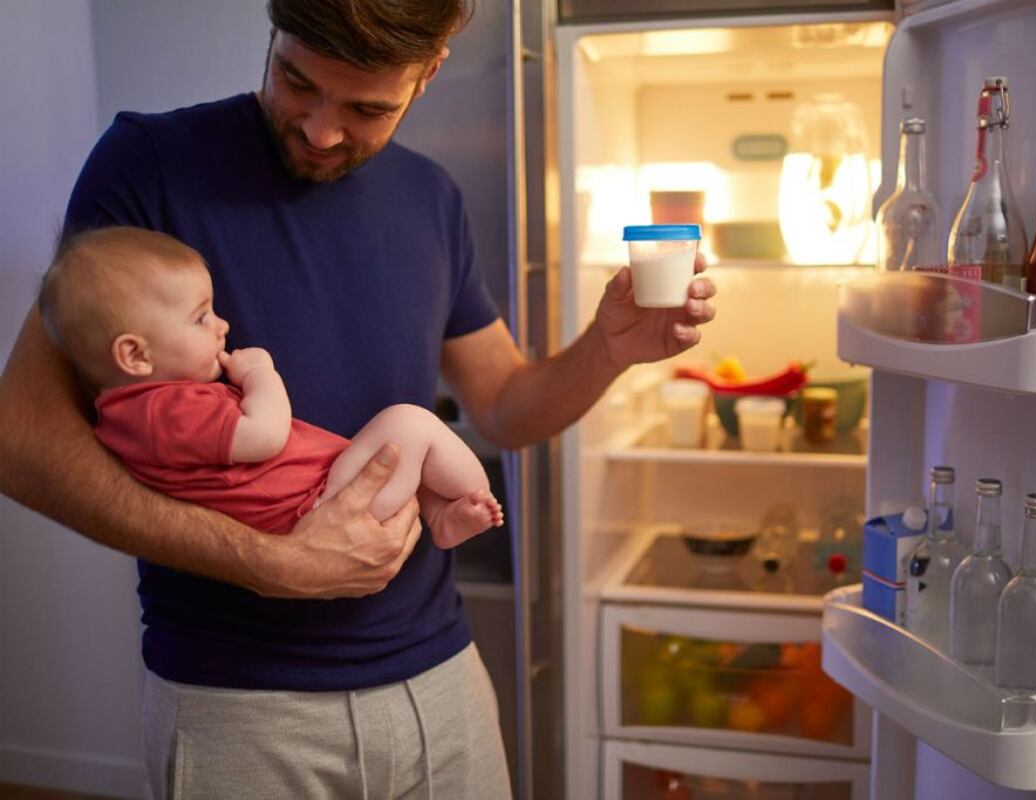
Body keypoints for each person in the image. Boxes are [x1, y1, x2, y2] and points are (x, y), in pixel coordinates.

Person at [0, 0, 716, 797]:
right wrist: (270, 564)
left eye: (366, 108)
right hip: (239, 705)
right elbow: (21, 440)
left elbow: (507, 407)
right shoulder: (148, 164)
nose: (319, 130)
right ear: (271, 30)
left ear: (429, 71)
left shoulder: (432, 197)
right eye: (294, 80)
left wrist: (607, 349)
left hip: (439, 682)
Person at [40, 226, 505, 547]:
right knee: (410, 422)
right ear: (135, 356)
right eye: (200, 317)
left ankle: (441, 517)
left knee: (406, 457)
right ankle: (468, 496)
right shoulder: (165, 411)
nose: (222, 326)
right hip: (316, 508)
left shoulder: (127, 416)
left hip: (317, 499)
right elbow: (266, 436)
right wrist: (261, 374)